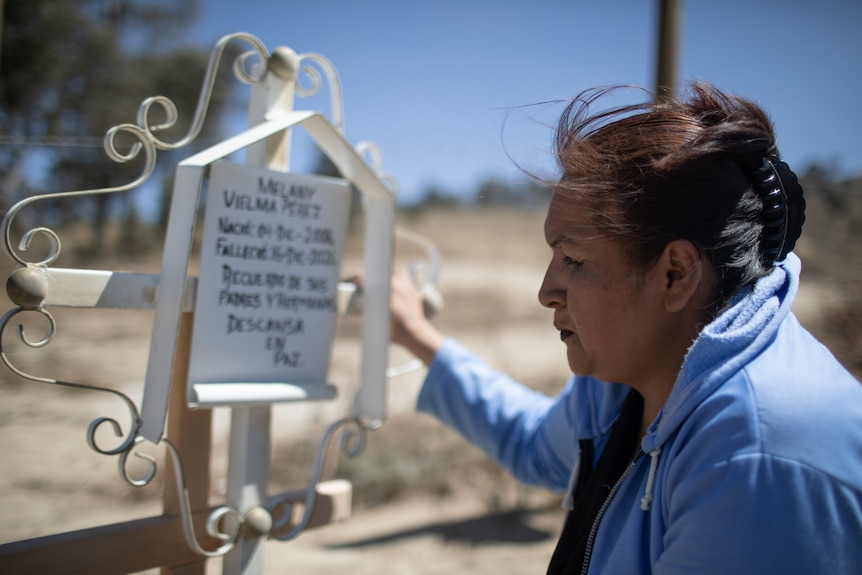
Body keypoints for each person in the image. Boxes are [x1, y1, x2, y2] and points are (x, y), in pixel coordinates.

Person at [386, 82, 862, 574]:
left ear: (675, 274)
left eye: (573, 259)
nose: (546, 291)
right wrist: (417, 337)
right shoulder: (630, 376)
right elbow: (534, 447)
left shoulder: (757, 462)